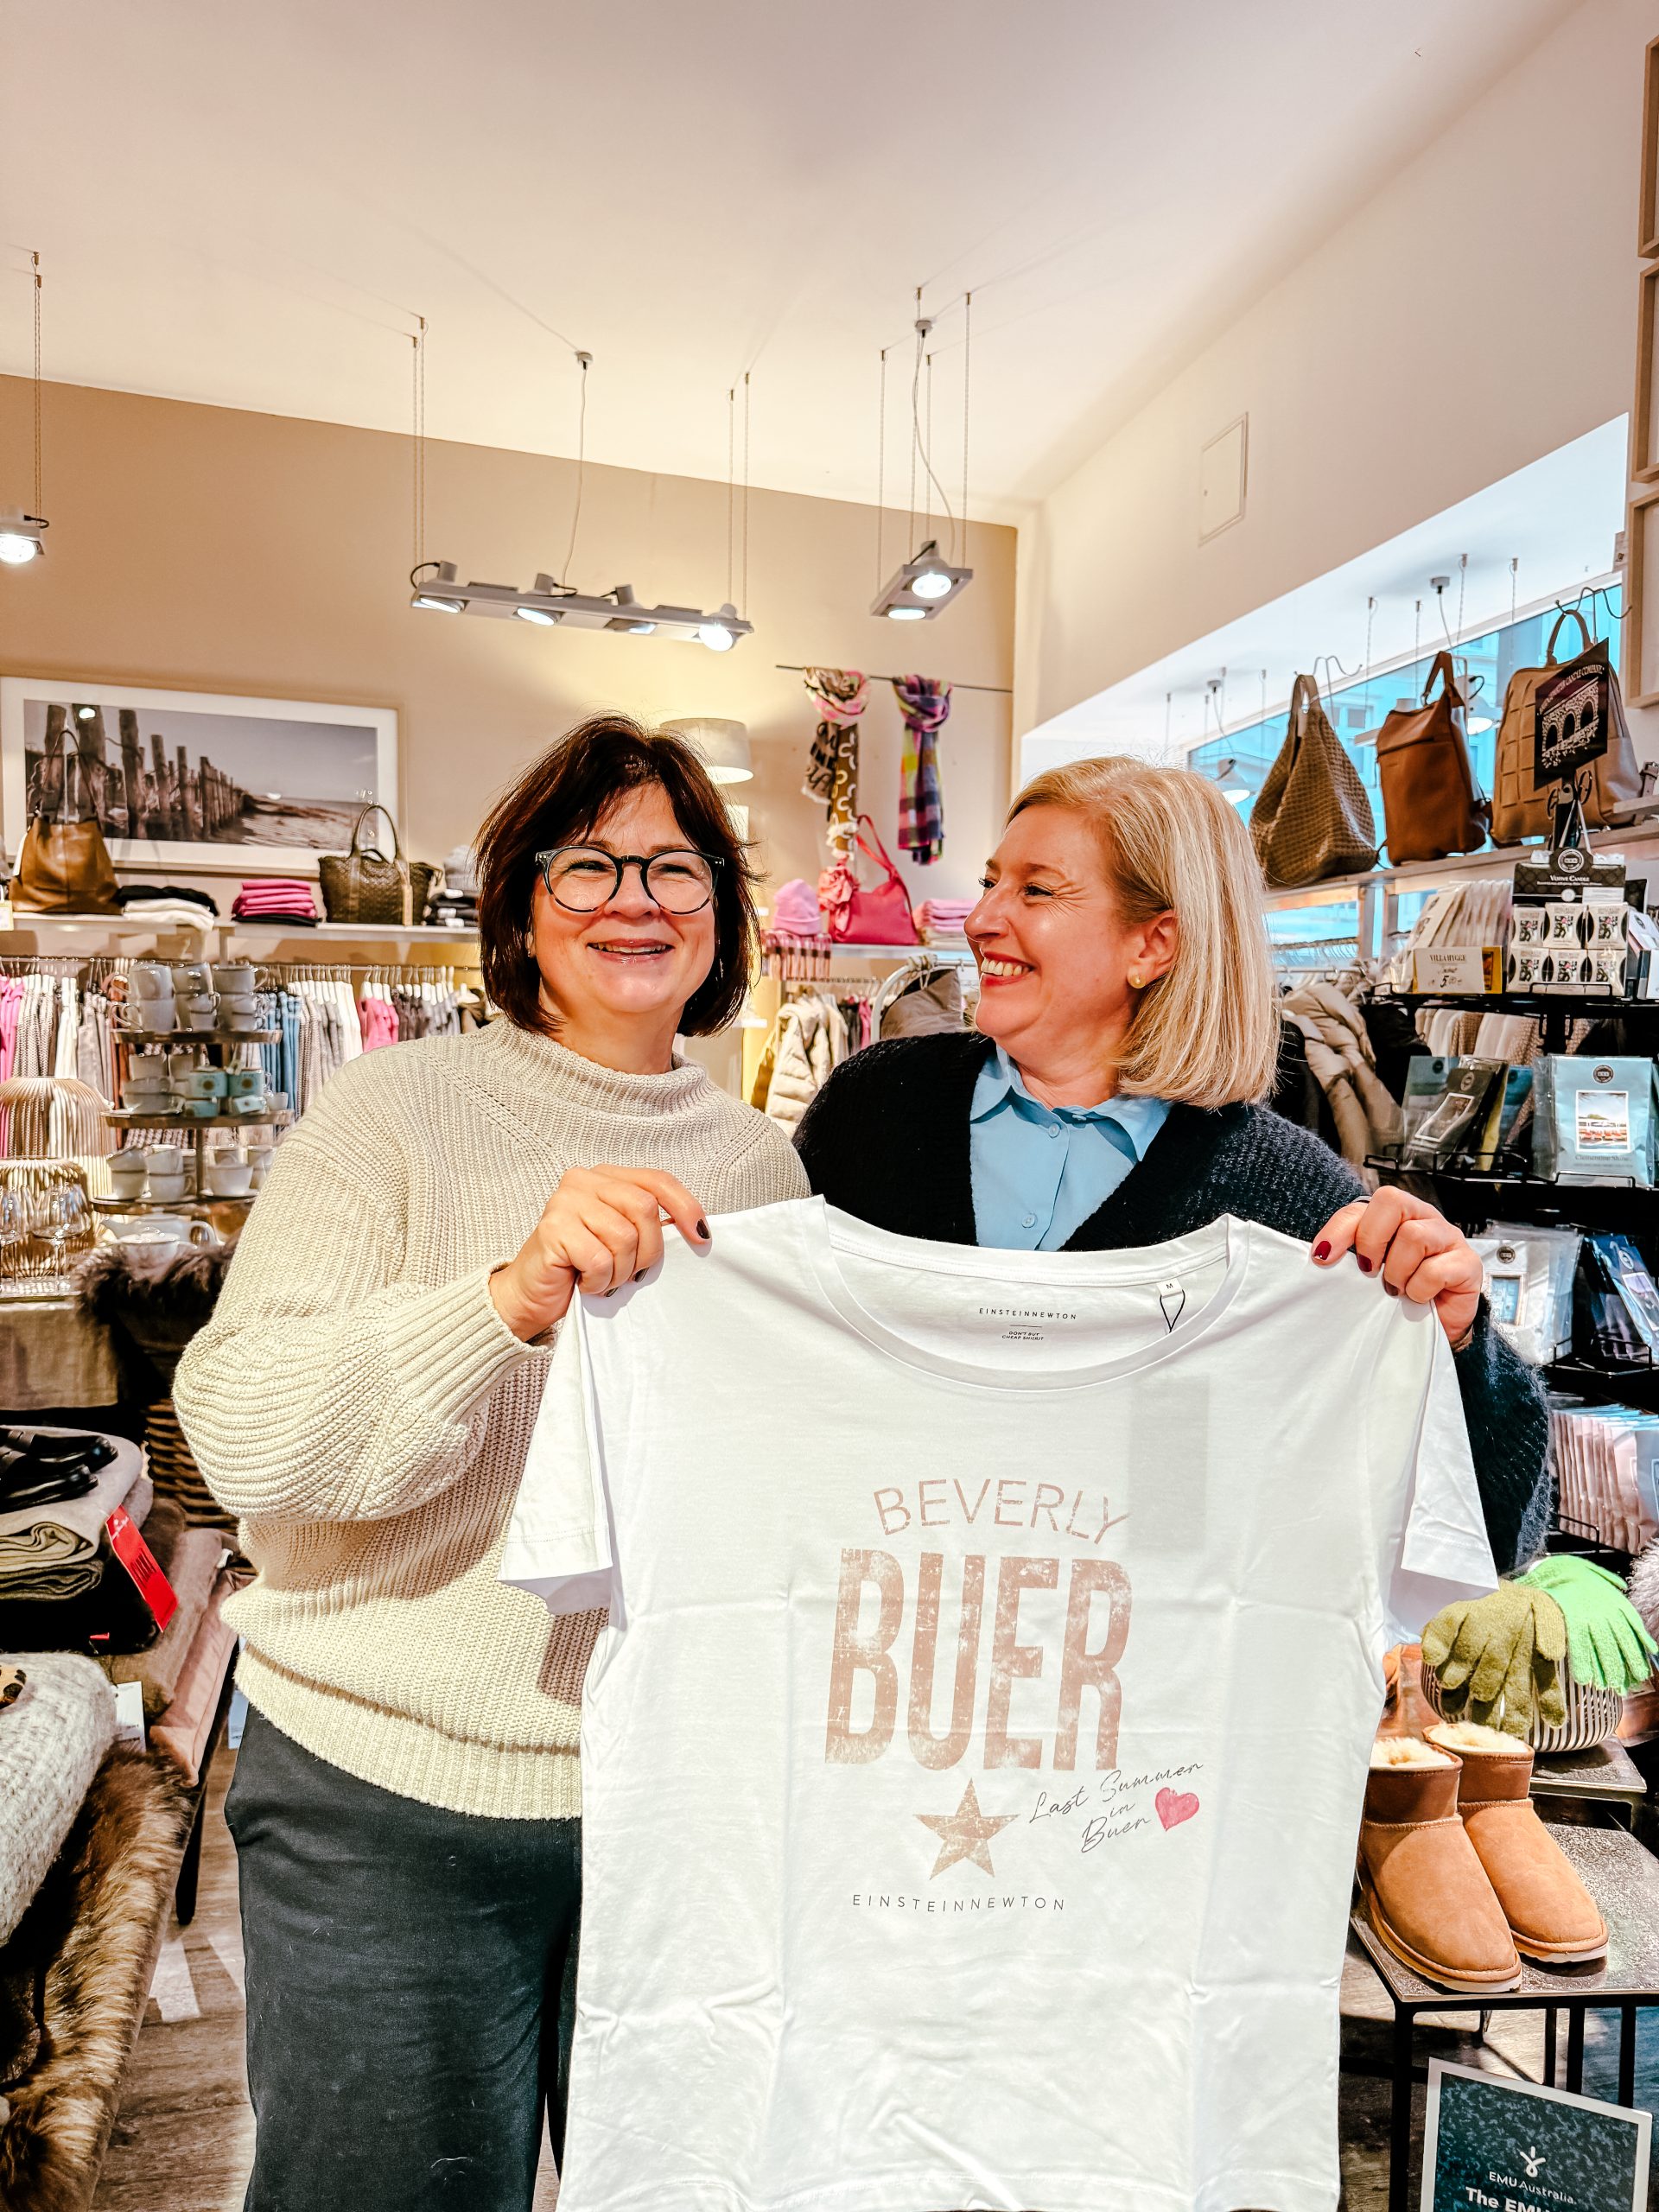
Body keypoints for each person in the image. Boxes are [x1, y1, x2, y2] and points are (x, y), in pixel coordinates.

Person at [174, 715, 808, 2212]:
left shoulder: (766, 1170)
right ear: (521, 906)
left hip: (671, 1808)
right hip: (386, 1807)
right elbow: (242, 1429)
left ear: (720, 910)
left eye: (674, 865)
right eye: (587, 865)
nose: (635, 898)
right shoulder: (390, 1114)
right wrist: (503, 1302)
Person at [794, 753, 1549, 1572]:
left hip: (1140, 1677)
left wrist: (1457, 1343)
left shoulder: (1284, 1199)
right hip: (872, 1651)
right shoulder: (873, 1109)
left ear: (1153, 944)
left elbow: (1490, 1534)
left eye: (1036, 890)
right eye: (990, 882)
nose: (980, 920)